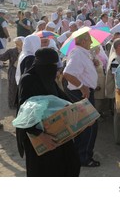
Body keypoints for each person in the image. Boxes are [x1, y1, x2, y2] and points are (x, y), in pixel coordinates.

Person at [17, 48, 80, 176]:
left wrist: (81, 112)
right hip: (37, 136)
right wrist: (40, 135)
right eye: (51, 66)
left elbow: (62, 98)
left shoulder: (48, 79)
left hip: (56, 131)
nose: (54, 70)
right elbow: (25, 112)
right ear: (43, 65)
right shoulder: (29, 80)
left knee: (70, 164)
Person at [63, 32, 100, 167]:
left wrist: (92, 63)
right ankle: (84, 157)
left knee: (84, 125)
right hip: (81, 93)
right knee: (89, 125)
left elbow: (81, 70)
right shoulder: (78, 53)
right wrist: (82, 87)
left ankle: (80, 154)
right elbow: (68, 73)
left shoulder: (82, 53)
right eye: (89, 40)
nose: (91, 42)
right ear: (83, 41)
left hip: (84, 91)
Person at [105, 38, 120, 144]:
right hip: (118, 91)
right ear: (119, 46)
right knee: (118, 116)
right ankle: (119, 139)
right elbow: (116, 76)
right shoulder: (115, 59)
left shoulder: (119, 57)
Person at [0, 37, 24, 109]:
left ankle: (19, 103)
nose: (17, 44)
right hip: (13, 72)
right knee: (12, 88)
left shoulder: (26, 51)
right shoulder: (11, 51)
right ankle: (12, 104)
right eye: (16, 43)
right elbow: (3, 57)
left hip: (22, 72)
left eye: (19, 43)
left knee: (21, 88)